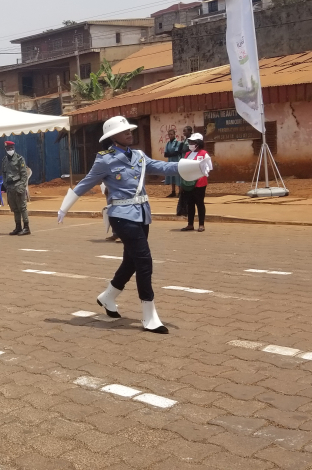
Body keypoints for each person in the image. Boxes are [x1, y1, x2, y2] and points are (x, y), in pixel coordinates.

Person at [57, 115, 211, 334]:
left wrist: (196, 165)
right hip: (121, 215)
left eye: (130, 130)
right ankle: (149, 316)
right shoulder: (105, 160)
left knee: (131, 262)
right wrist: (65, 207)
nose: (130, 133)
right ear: (112, 137)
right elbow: (86, 182)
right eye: (124, 131)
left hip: (141, 214)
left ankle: (108, 297)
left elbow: (162, 167)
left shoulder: (138, 156)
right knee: (144, 261)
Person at [180, 133, 210, 232]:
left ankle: (201, 224)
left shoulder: (204, 154)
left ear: (198, 143)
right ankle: (190, 224)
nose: (191, 144)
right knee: (190, 204)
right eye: (190, 142)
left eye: (193, 142)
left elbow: (209, 168)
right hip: (188, 183)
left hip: (200, 183)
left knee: (200, 203)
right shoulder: (187, 154)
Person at [1, 141, 30, 235]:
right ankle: (18, 227)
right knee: (14, 208)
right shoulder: (4, 160)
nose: (10, 150)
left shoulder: (19, 159)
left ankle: (26, 227)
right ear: (5, 149)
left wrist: (22, 186)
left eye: (12, 148)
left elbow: (24, 175)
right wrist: (5, 184)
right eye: (8, 148)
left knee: (22, 207)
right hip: (10, 187)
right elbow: (4, 173)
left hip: (18, 185)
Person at [163, 129, 187, 198]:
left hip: (177, 161)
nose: (170, 136)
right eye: (169, 134)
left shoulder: (177, 143)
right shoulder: (167, 143)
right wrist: (171, 154)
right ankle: (173, 192)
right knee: (171, 176)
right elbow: (165, 154)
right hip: (170, 161)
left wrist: (170, 154)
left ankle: (180, 192)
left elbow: (176, 152)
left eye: (171, 134)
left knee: (178, 176)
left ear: (174, 135)